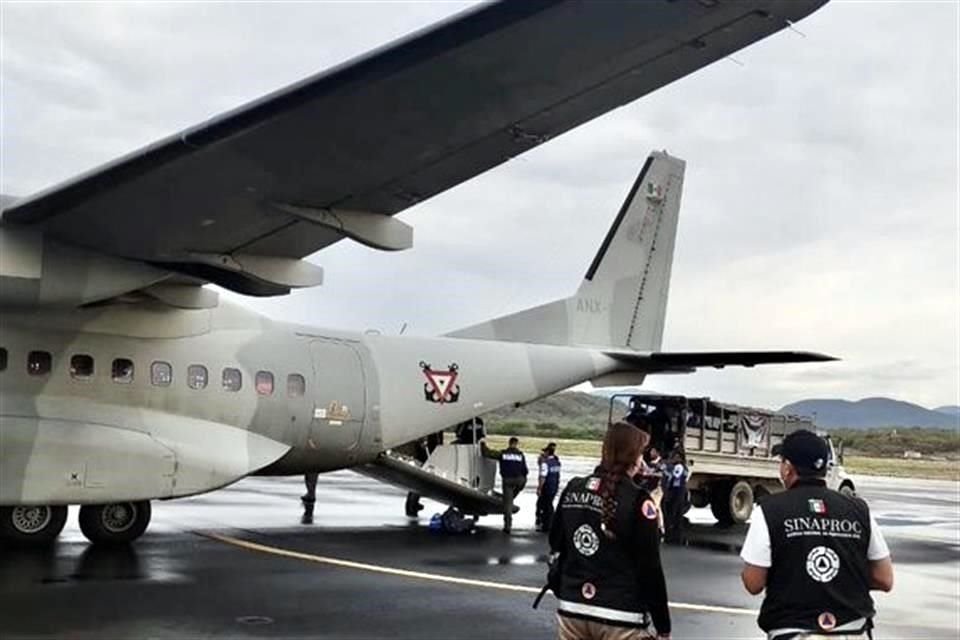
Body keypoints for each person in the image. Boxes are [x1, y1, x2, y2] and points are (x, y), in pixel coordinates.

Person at [740, 430, 894, 640]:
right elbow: (884, 579)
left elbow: (753, 583)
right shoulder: (859, 510)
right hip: (853, 629)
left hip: (793, 630)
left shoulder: (769, 510)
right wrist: (840, 580)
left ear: (787, 468)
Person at [549, 422, 671, 639]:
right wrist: (663, 627)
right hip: (622, 614)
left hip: (572, 607)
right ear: (634, 457)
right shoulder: (639, 500)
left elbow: (556, 542)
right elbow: (650, 568)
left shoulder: (573, 488)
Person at [482, 436, 528, 534]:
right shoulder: (521, 455)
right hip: (520, 480)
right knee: (518, 487)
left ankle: (508, 526)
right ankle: (512, 496)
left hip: (508, 480)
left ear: (509, 443)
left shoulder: (503, 453)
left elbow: (488, 453)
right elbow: (525, 470)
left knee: (508, 505)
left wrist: (483, 446)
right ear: (516, 444)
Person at [661, 452, 687, 543]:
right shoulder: (674, 466)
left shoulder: (680, 467)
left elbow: (676, 475)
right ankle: (673, 528)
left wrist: (665, 470)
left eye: (677, 457)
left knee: (675, 509)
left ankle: (674, 529)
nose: (675, 459)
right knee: (672, 508)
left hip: (678, 490)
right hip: (673, 490)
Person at [536, 442, 562, 532]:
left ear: (547, 452)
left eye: (545, 452)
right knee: (548, 504)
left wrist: (539, 488)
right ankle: (550, 523)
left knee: (546, 506)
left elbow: (542, 477)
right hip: (554, 486)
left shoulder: (545, 463)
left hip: (547, 487)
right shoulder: (557, 462)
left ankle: (547, 525)